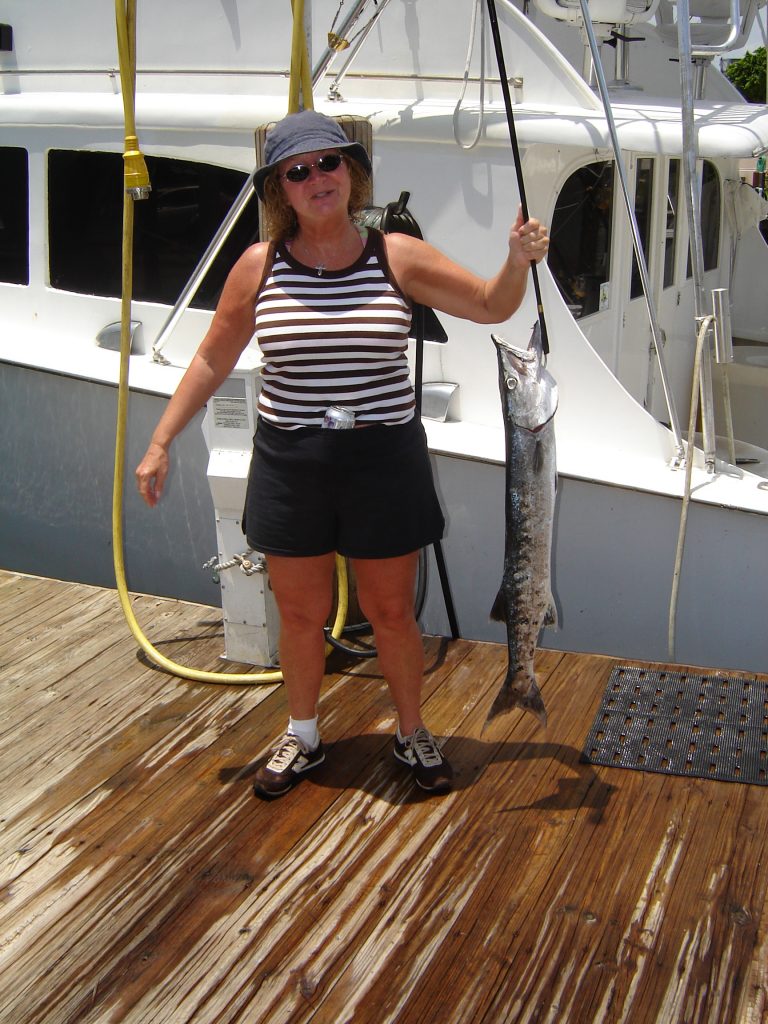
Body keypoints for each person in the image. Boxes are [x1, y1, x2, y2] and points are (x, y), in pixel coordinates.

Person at [135, 109, 549, 799]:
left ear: (350, 174)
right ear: (281, 191)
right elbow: (212, 357)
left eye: (329, 162)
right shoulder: (258, 266)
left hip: (383, 458)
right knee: (299, 615)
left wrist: (516, 260)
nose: (317, 178)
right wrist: (159, 441)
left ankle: (412, 731)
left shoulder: (396, 254)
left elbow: (488, 305)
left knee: (392, 613)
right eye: (298, 171)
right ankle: (302, 733)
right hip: (291, 461)